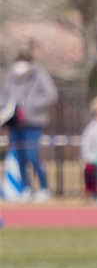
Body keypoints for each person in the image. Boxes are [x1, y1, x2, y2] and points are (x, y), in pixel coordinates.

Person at [1, 48, 59, 201]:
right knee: (19, 157)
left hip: (33, 122)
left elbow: (51, 94)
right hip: (14, 123)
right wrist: (9, 108)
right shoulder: (11, 75)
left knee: (33, 156)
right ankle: (26, 188)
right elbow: (3, 95)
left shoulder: (39, 75)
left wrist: (29, 106)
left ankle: (44, 188)